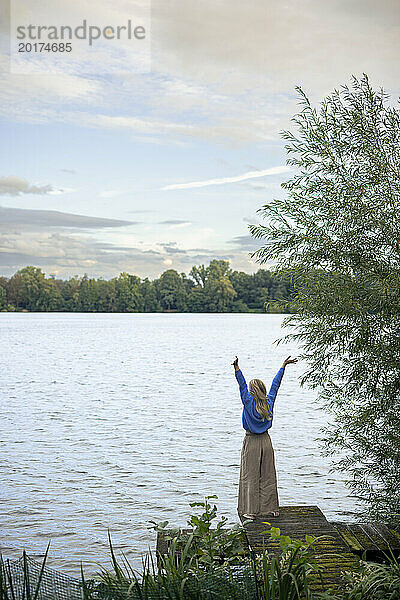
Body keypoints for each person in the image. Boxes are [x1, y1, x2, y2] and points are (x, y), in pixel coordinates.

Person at [232, 354, 298, 520]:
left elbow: (241, 385)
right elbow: (276, 384)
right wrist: (283, 366)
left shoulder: (248, 402)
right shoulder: (269, 401)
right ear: (263, 390)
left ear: (251, 391)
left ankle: (251, 511)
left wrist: (237, 369)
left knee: (251, 476)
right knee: (268, 474)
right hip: (267, 441)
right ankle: (271, 508)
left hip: (252, 441)